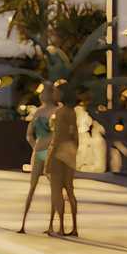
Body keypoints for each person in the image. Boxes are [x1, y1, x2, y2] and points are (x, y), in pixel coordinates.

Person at [17, 82, 57, 234]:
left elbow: (29, 135)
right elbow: (29, 135)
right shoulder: (42, 111)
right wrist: (36, 147)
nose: (42, 95)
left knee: (50, 189)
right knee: (37, 188)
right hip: (43, 151)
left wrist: (36, 146)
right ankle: (25, 223)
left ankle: (48, 225)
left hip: (44, 151)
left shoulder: (49, 111)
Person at [45, 80, 79, 238]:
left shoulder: (60, 112)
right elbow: (75, 135)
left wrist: (49, 159)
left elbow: (57, 137)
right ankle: (74, 227)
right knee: (70, 190)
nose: (53, 94)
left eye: (55, 91)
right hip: (70, 151)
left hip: (58, 152)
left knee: (56, 190)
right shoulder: (72, 112)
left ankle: (60, 227)